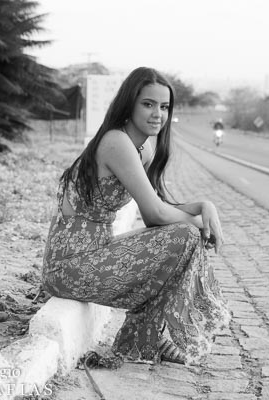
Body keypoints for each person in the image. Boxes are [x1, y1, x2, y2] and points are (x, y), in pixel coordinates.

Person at [41, 67, 230, 366]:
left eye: (164, 107)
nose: (158, 114)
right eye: (148, 104)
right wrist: (199, 221)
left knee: (182, 240)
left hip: (96, 251)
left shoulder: (144, 149)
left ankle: (143, 338)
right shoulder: (116, 142)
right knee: (185, 236)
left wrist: (204, 206)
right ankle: (143, 338)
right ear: (129, 104)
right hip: (68, 265)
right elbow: (157, 213)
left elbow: (154, 213)